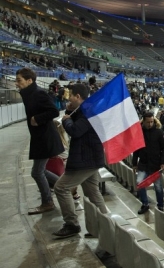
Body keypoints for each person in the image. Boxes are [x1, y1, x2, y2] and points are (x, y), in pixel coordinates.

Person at [53, 84, 108, 237]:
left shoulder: (89, 111)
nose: (68, 98)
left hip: (86, 159)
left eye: (70, 95)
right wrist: (70, 112)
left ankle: (71, 224)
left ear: (77, 96)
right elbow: (76, 123)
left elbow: (75, 130)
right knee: (93, 193)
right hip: (89, 158)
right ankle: (105, 228)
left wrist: (65, 120)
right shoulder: (85, 109)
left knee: (61, 188)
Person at [16, 67, 64, 215]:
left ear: (29, 80)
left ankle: (48, 202)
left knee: (37, 172)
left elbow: (54, 111)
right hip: (39, 138)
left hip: (45, 138)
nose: (17, 83)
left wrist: (37, 119)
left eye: (19, 80)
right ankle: (64, 186)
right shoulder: (28, 94)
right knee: (40, 171)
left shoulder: (38, 93)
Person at [132, 112, 164, 214]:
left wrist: (163, 162)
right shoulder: (139, 133)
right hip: (143, 164)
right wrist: (134, 163)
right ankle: (145, 204)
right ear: (143, 121)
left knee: (158, 187)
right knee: (140, 184)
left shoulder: (159, 132)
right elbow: (136, 149)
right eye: (148, 122)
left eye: (152, 122)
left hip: (156, 165)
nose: (150, 124)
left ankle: (160, 206)